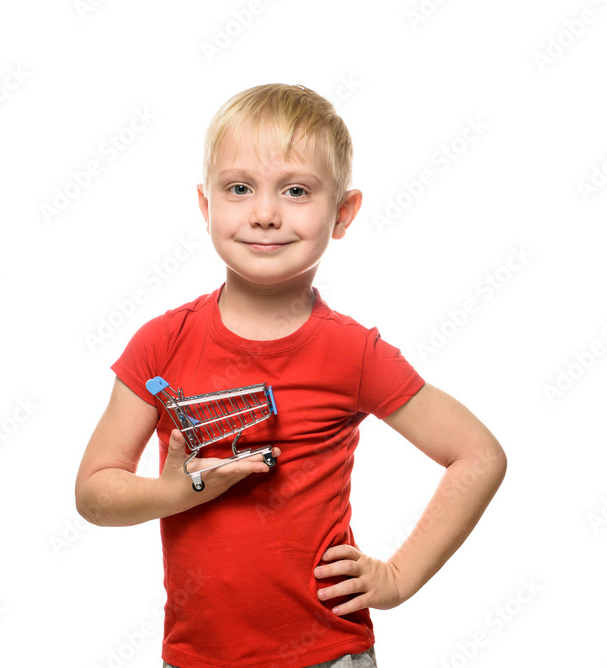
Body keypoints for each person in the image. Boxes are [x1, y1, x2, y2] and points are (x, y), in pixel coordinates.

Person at [75, 83, 506, 668]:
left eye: (297, 189)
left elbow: (478, 455)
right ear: (206, 207)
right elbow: (94, 494)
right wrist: (176, 491)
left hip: (327, 653)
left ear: (343, 213)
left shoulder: (354, 353)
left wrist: (398, 577)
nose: (265, 213)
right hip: (198, 657)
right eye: (240, 188)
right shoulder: (161, 344)